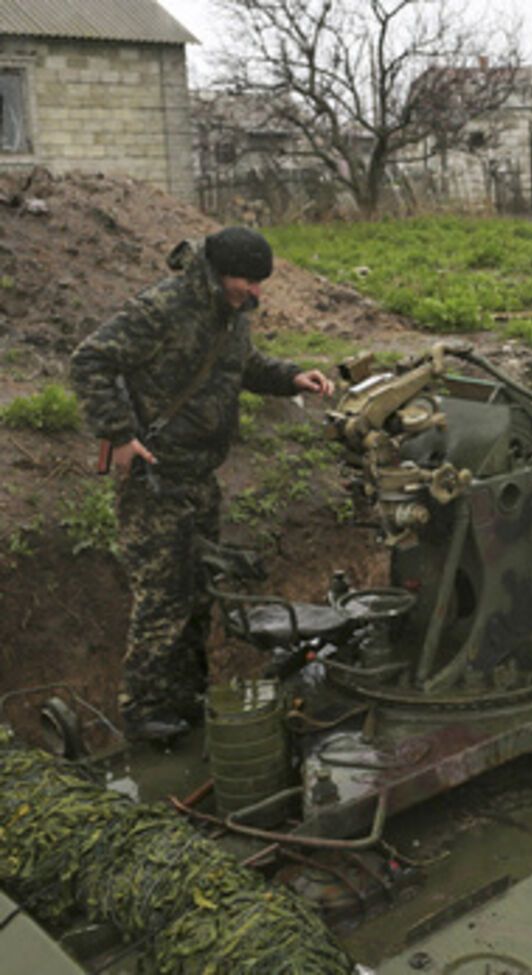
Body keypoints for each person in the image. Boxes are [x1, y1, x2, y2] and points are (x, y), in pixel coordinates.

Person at [70, 227, 334, 741]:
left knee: (197, 593)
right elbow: (90, 360)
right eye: (248, 281)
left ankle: (188, 698)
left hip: (197, 476)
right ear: (218, 273)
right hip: (154, 477)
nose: (256, 292)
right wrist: (118, 435)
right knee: (162, 596)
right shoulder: (162, 308)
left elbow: (242, 366)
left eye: (261, 283)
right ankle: (145, 711)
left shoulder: (228, 315)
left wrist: (291, 377)